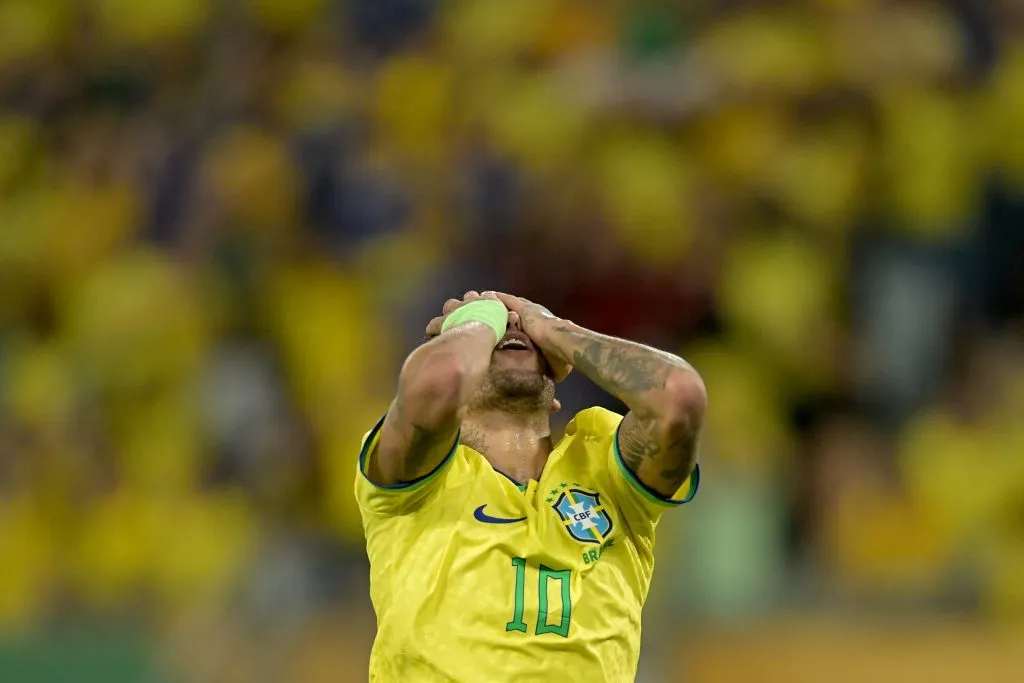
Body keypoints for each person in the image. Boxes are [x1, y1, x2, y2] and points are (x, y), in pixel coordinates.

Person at [355, 290, 706, 682]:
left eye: (522, 330)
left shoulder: (604, 468)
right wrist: (475, 320)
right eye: (490, 334)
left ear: (555, 395)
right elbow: (442, 379)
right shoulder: (415, 482)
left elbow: (679, 396)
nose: (510, 325)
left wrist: (557, 330)